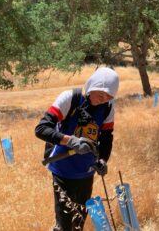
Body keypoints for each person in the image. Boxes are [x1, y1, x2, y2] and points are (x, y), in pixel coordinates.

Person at [35, 67, 119, 231]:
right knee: (64, 224)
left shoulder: (108, 107)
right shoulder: (70, 98)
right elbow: (41, 129)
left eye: (108, 97)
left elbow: (107, 136)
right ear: (91, 86)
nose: (103, 100)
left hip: (87, 171)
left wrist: (102, 160)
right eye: (100, 95)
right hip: (62, 169)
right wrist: (70, 140)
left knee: (79, 222)